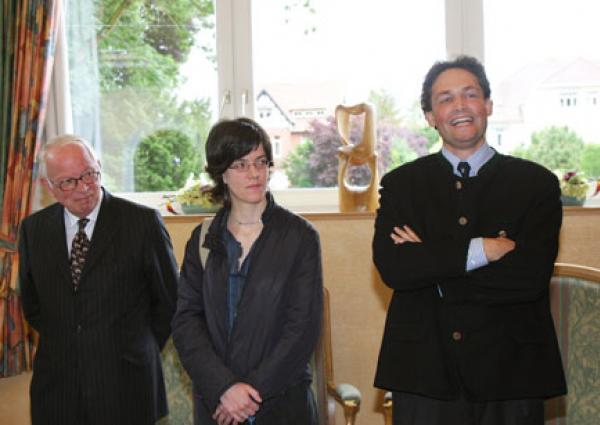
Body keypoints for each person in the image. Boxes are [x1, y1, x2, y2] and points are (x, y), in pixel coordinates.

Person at [372, 56, 566, 425]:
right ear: (430, 116)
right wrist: (482, 250)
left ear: (488, 105)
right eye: (445, 98)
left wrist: (432, 268)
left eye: (470, 94)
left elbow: (529, 277)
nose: (459, 106)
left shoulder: (536, 184)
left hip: (512, 376)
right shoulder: (401, 185)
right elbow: (395, 269)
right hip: (424, 375)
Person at [172, 117, 323, 425]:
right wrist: (224, 388)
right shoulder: (202, 238)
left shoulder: (300, 237)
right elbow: (187, 322)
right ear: (221, 173)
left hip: (281, 405)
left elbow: (302, 328)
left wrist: (249, 393)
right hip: (218, 408)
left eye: (260, 162)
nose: (254, 173)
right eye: (240, 164)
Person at [19, 135, 179, 425]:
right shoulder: (33, 230)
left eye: (89, 175)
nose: (83, 189)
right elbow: (33, 304)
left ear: (99, 167)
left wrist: (132, 347)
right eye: (68, 182)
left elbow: (169, 301)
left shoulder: (142, 224)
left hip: (127, 382)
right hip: (58, 389)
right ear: (49, 187)